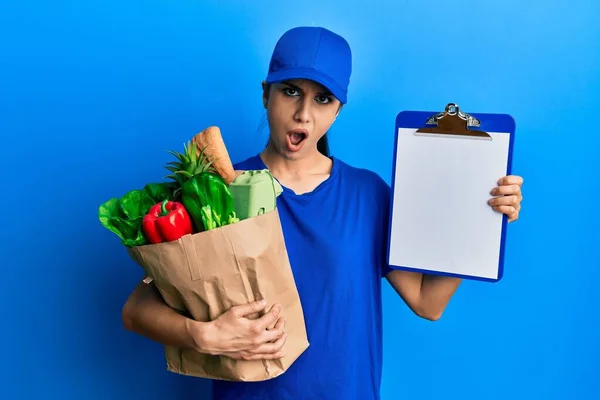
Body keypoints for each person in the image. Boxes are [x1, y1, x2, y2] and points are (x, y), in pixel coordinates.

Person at [121, 26, 524, 400]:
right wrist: (204, 336)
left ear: (337, 112)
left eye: (322, 99)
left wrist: (479, 218)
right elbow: (136, 310)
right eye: (291, 92)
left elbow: (427, 303)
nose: (304, 114)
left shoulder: (369, 195)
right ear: (266, 95)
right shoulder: (220, 190)